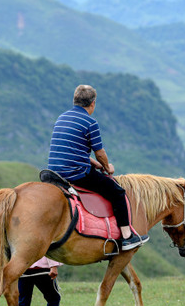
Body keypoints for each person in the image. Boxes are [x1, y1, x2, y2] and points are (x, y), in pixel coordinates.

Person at [47, 84, 147, 250]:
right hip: (75, 173)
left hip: (54, 172)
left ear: (75, 100)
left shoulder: (61, 118)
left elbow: (75, 150)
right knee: (117, 192)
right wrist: (107, 167)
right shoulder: (90, 122)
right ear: (93, 103)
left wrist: (96, 163)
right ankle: (127, 236)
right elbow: (99, 153)